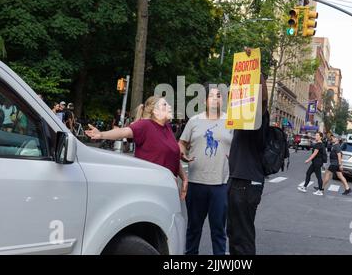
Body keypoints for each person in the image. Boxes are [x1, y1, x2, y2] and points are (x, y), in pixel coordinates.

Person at [85, 96, 188, 199]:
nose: (170, 107)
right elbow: (124, 131)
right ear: (155, 111)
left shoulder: (167, 128)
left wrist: (184, 178)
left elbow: (173, 156)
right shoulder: (145, 125)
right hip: (151, 189)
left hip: (169, 188)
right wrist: (102, 134)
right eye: (165, 104)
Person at [179, 84, 233, 256]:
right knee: (193, 229)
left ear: (223, 100)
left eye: (219, 96)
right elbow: (181, 143)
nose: (216, 99)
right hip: (196, 183)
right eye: (212, 96)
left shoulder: (231, 121)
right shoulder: (194, 121)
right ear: (204, 100)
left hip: (221, 184)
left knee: (218, 231)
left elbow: (239, 146)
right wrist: (181, 153)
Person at [227, 71, 269, 255]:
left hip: (245, 183)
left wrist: (253, 67)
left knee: (241, 237)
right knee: (235, 234)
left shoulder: (257, 114)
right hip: (239, 179)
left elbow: (258, 98)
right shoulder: (242, 115)